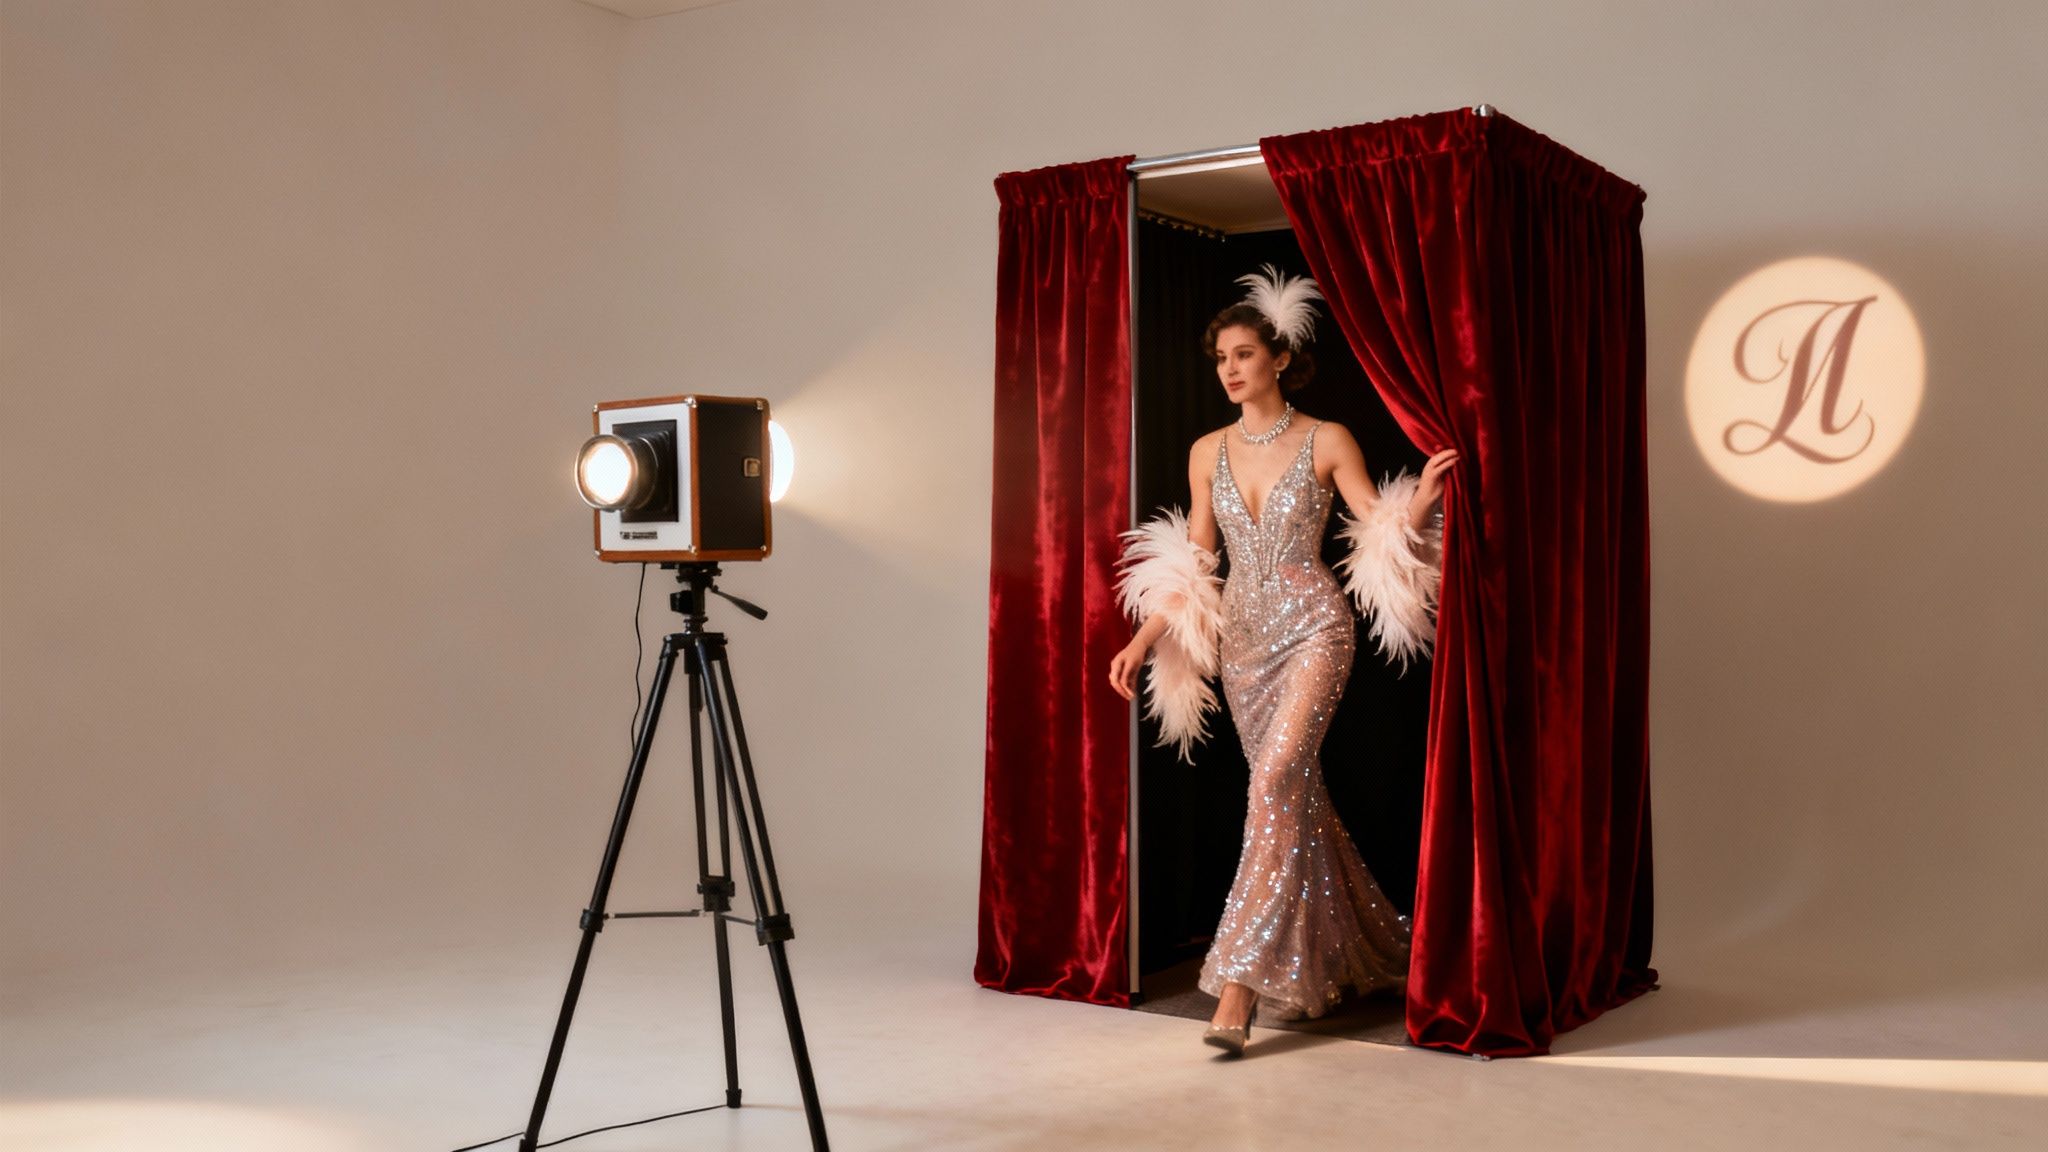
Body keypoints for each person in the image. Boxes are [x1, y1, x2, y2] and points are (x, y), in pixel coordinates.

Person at [1109, 265, 1456, 1057]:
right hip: (1243, 646)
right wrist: (1138, 640)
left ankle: (1237, 985)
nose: (1229, 369)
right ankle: (1372, 947)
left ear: (1279, 356)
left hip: (1313, 632)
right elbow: (1192, 570)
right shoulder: (1206, 452)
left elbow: (1376, 524)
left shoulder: (1327, 438)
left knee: (1274, 780)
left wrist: (1422, 504)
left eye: (1241, 354)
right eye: (1219, 359)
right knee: (1294, 797)